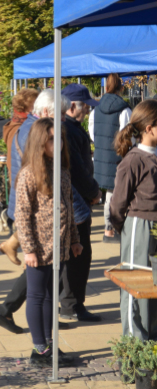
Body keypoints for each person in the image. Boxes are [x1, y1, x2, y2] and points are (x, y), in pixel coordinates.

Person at [0, 89, 73, 334]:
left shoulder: (32, 128)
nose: (64, 119)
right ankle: (9, 313)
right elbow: (33, 183)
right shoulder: (35, 131)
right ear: (46, 112)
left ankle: (41, 326)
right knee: (38, 280)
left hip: (37, 209)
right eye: (60, 114)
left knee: (44, 281)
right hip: (34, 211)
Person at [15, 117, 81, 365]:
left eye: (60, 138)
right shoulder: (29, 174)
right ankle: (39, 347)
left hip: (60, 246)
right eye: (52, 139)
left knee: (52, 296)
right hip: (39, 247)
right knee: (36, 295)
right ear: (40, 141)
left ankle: (49, 344)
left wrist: (74, 239)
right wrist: (29, 249)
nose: (58, 143)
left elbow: (68, 209)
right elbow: (22, 215)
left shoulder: (62, 172)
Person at [110, 100, 157, 340]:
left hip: (154, 228)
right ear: (149, 128)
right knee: (135, 287)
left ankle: (151, 344)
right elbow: (117, 204)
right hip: (139, 226)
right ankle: (133, 351)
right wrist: (123, 229)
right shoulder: (133, 160)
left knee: (153, 287)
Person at [60, 84, 102, 322]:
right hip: (77, 202)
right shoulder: (68, 129)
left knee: (76, 256)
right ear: (72, 105)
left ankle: (71, 304)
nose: (87, 109)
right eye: (85, 105)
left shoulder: (71, 128)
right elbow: (76, 169)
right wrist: (94, 191)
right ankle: (73, 305)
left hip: (78, 201)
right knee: (78, 255)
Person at [0, 88, 40, 264]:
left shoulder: (14, 125)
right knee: (31, 223)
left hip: (18, 178)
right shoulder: (22, 128)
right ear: (29, 106)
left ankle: (12, 245)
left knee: (30, 223)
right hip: (21, 179)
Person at [92, 73, 132, 243]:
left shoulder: (96, 109)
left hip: (101, 155)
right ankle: (113, 229)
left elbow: (92, 133)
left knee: (109, 193)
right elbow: (127, 136)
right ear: (121, 88)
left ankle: (108, 229)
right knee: (117, 193)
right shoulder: (124, 109)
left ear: (106, 87)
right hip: (118, 156)